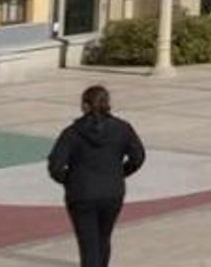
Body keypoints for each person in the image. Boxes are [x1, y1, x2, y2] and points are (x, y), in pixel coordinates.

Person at [47, 84, 145, 267]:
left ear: (85, 105)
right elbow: (138, 157)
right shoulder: (122, 128)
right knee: (103, 238)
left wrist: (70, 180)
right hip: (112, 192)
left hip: (82, 194)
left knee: (88, 245)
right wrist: (120, 173)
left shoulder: (72, 133)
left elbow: (55, 166)